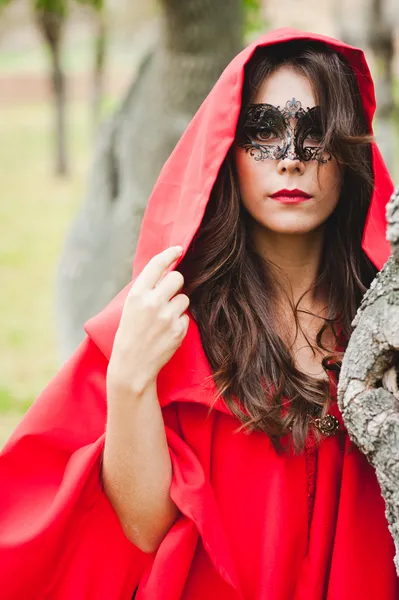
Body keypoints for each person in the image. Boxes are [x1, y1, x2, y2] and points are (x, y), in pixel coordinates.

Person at [0, 28, 397, 600]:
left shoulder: (385, 312)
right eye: (263, 131)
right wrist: (131, 380)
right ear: (226, 150)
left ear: (349, 152)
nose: (289, 161)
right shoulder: (166, 314)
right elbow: (143, 527)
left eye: (315, 133)